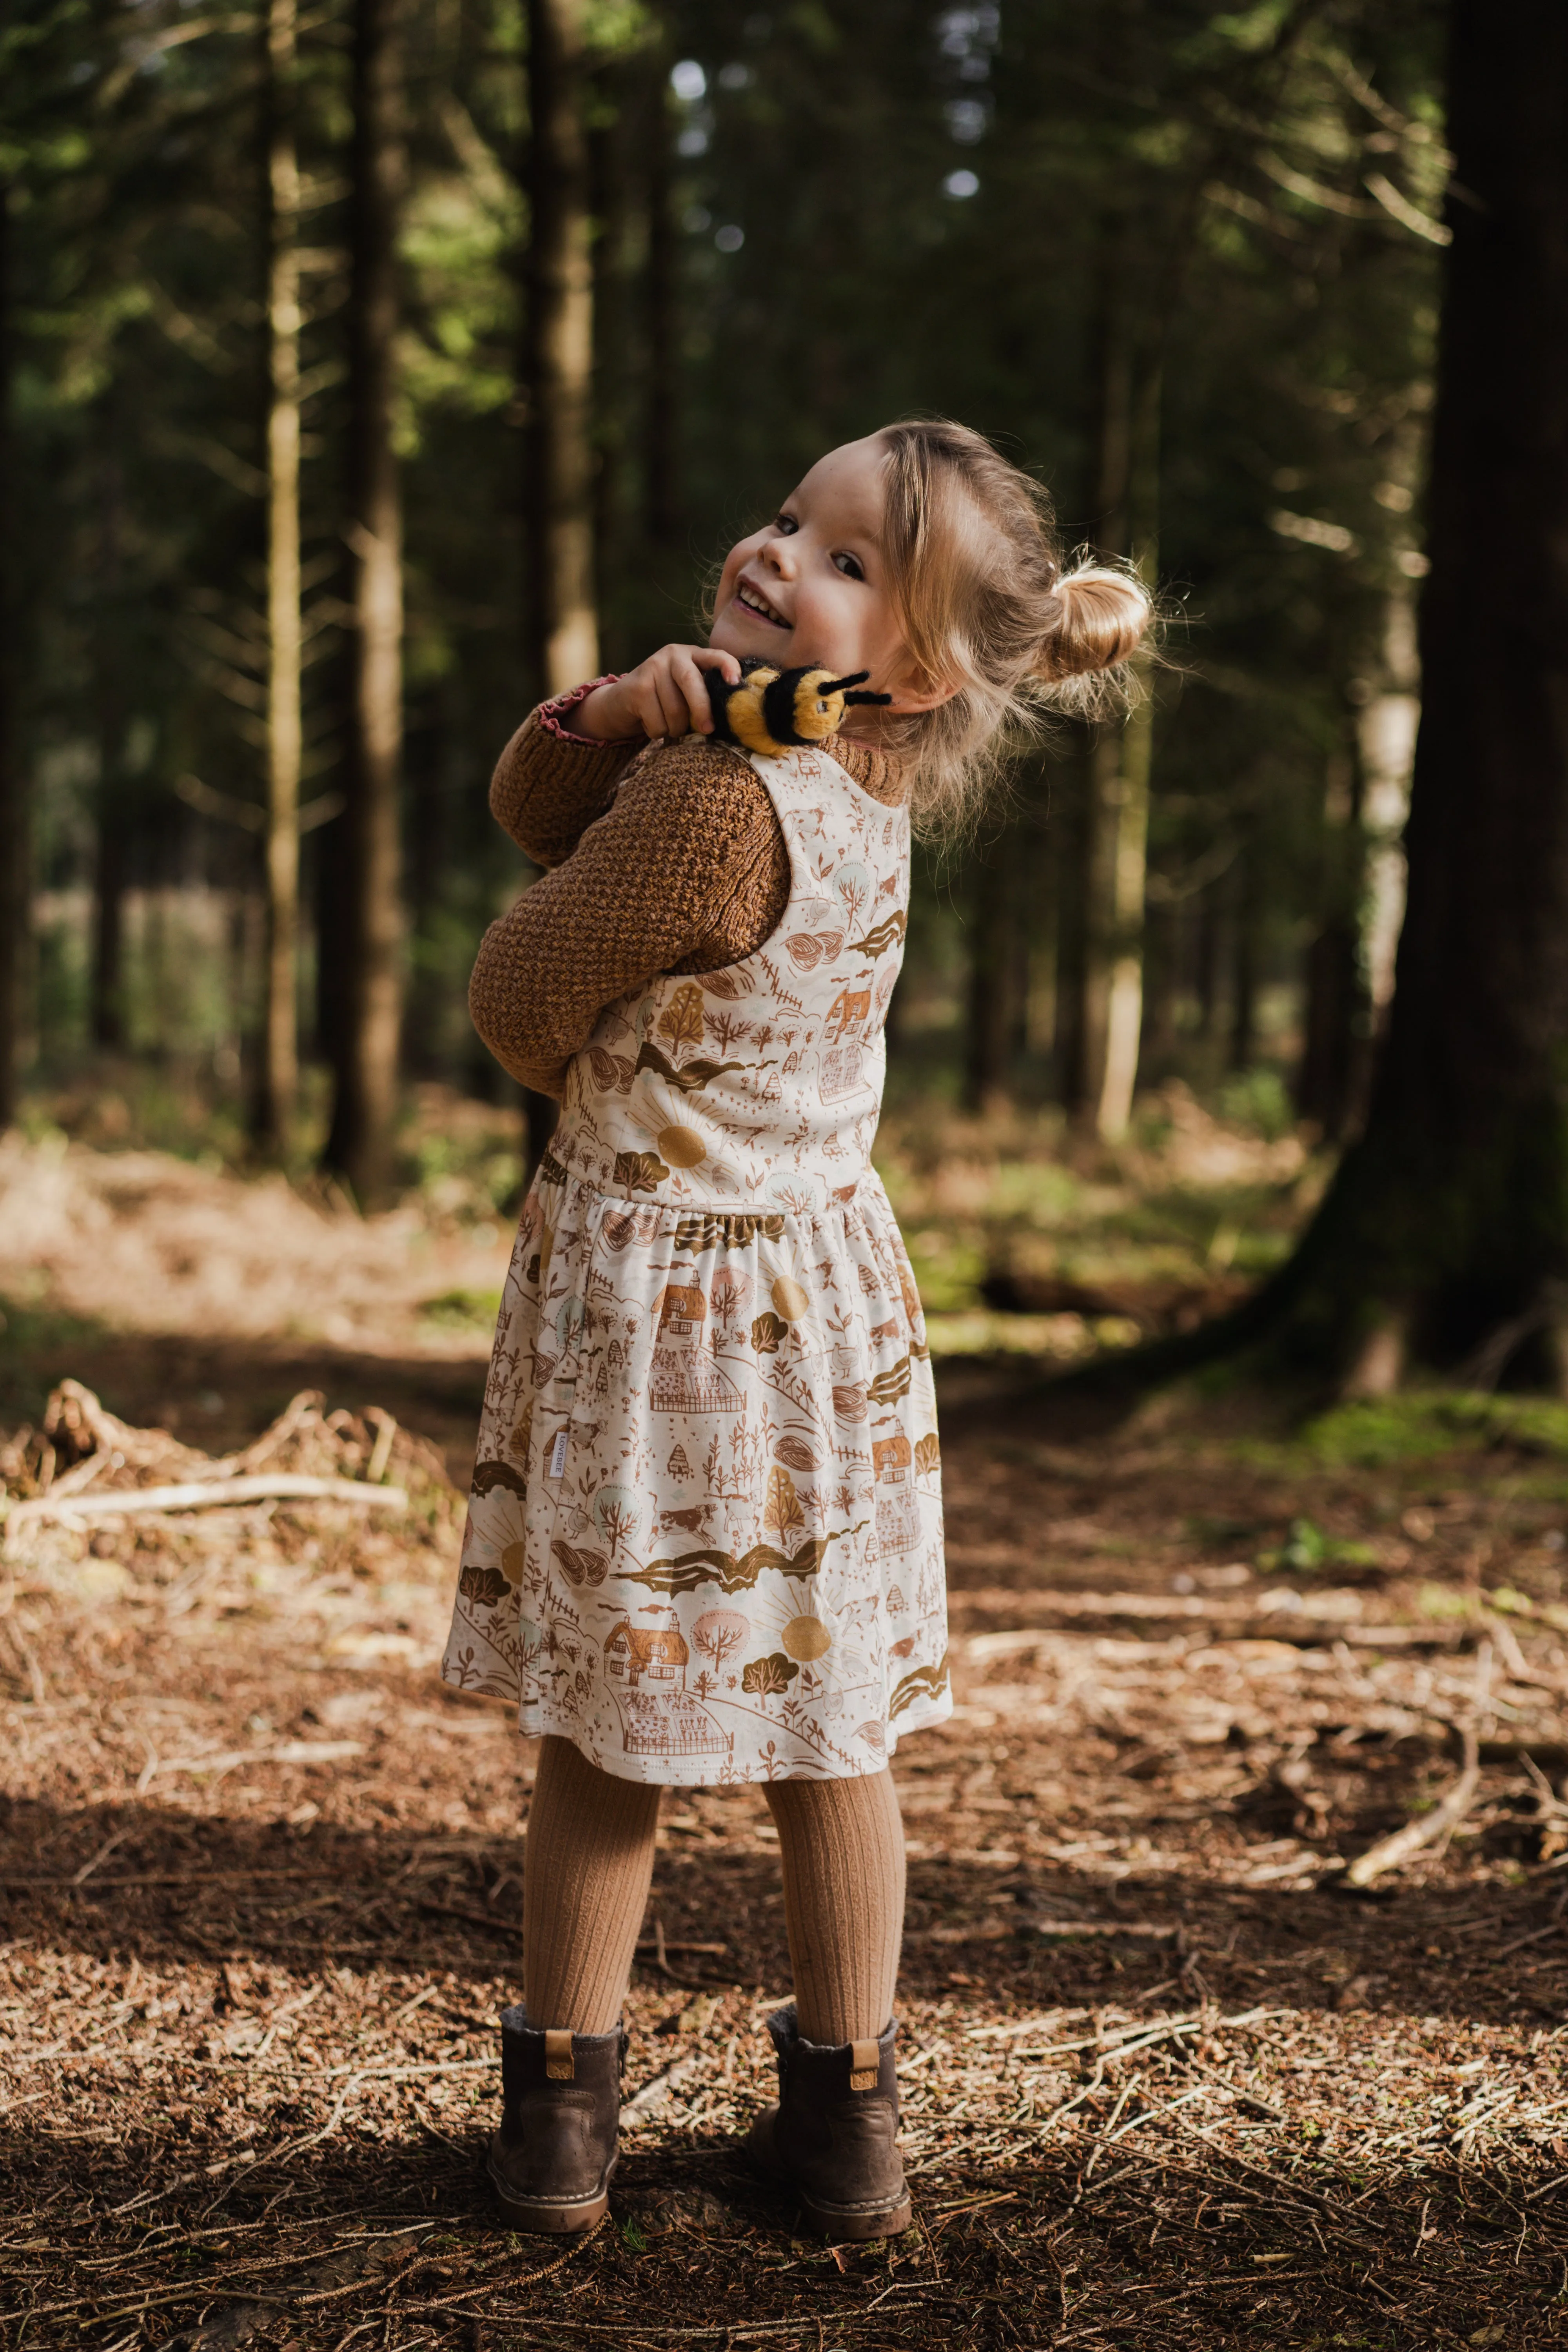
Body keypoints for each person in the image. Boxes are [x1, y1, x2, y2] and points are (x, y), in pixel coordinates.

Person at [442, 418, 1151, 2241]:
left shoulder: (710, 799)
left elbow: (516, 990)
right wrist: (613, 718)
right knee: (828, 1720)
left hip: (658, 1298)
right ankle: (847, 2134)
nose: (773, 557)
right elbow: (549, 818)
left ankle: (556, 2135)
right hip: (823, 1296)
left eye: (838, 560)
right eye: (782, 517)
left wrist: (592, 1072)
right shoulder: (853, 776)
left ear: (905, 662)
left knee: (615, 1719)